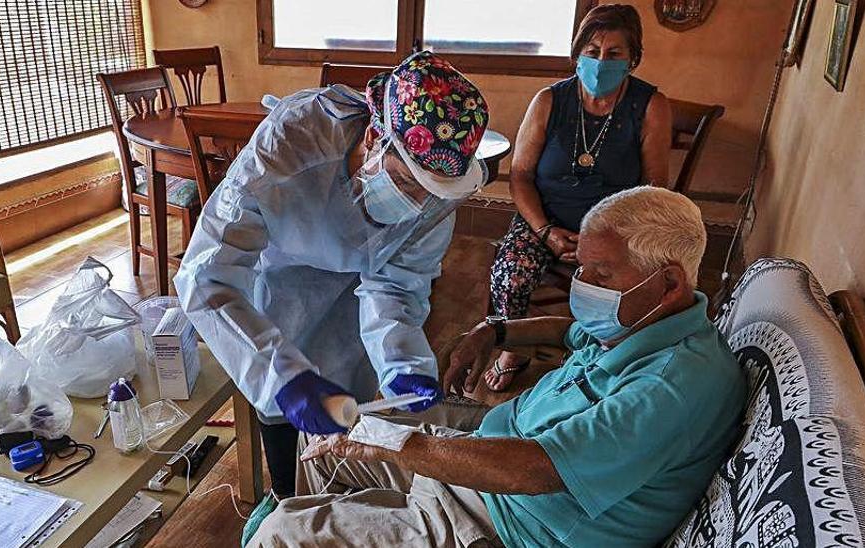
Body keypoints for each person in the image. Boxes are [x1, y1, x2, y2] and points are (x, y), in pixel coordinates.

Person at [247, 187, 746, 547]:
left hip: (503, 524)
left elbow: (541, 469)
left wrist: (403, 444)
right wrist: (494, 331)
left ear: (669, 282)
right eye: (581, 268)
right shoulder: (641, 325)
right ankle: (347, 518)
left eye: (601, 274)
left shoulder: (672, 387)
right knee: (328, 448)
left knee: (279, 535)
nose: (583, 285)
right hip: (480, 469)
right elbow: (565, 331)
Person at [175, 50, 490, 499]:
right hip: (284, 279)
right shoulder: (291, 143)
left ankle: (336, 499)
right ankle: (287, 494)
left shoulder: (440, 190)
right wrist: (279, 375)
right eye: (403, 182)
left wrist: (404, 362)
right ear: (373, 137)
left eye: (428, 193)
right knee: (285, 409)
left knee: (354, 409)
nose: (416, 203)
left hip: (356, 299)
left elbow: (398, 284)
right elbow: (209, 276)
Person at [485, 4, 673, 392]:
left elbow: (655, 188)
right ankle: (513, 350)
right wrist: (545, 230)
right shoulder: (549, 101)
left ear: (632, 59)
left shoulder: (651, 106)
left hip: (612, 228)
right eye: (591, 51)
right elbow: (520, 175)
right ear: (577, 55)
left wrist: (601, 239)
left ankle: (599, 356)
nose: (600, 62)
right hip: (545, 218)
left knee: (625, 289)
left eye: (614, 54)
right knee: (510, 275)